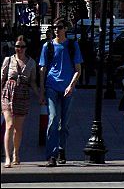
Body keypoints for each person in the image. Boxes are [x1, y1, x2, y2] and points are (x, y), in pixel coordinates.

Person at [39, 18, 83, 167]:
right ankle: (51, 155)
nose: (57, 29)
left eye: (60, 27)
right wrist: (41, 90)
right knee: (53, 119)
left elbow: (78, 70)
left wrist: (71, 86)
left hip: (67, 88)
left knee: (64, 124)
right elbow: (43, 69)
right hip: (51, 85)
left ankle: (62, 150)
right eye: (55, 27)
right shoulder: (48, 46)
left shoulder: (72, 45)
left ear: (65, 29)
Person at [1, 36, 42, 167]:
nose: (20, 49)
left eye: (22, 47)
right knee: (9, 125)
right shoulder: (8, 60)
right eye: (18, 46)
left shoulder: (31, 63)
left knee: (18, 129)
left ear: (26, 48)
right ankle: (7, 157)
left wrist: (40, 96)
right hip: (8, 93)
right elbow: (1, 79)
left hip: (23, 94)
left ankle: (16, 153)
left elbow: (33, 82)